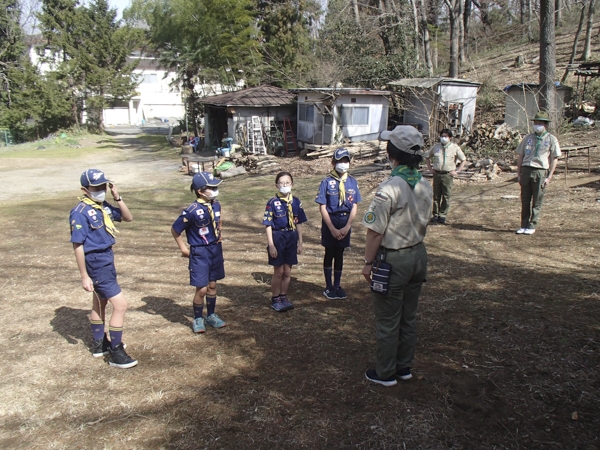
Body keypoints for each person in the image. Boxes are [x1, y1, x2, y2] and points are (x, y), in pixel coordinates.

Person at [362, 126, 433, 387]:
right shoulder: (425, 183)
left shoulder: (390, 187)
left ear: (393, 152)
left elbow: (374, 233)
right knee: (408, 315)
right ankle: (404, 367)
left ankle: (385, 373)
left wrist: (368, 263)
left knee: (388, 319)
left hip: (394, 260)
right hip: (418, 255)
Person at [69, 169, 137, 369]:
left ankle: (100, 345)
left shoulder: (102, 206)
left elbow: (128, 218)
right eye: (96, 187)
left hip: (106, 257)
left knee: (101, 301)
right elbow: (78, 245)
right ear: (85, 189)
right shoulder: (80, 212)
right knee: (121, 305)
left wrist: (118, 197)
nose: (101, 190)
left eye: (104, 186)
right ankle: (116, 351)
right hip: (96, 261)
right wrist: (84, 275)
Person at [171, 172, 227, 333]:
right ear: (200, 191)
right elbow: (175, 230)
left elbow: (218, 220)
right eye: (211, 187)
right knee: (201, 288)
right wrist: (183, 248)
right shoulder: (192, 210)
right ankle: (197, 318)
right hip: (200, 252)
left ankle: (211, 315)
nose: (215, 190)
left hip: (215, 249)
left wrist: (219, 233)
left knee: (212, 285)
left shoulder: (216, 205)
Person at [315, 148, 362, 299]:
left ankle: (337, 285)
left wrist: (347, 227)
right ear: (333, 162)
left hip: (345, 221)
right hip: (331, 221)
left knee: (340, 254)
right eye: (340, 161)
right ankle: (328, 286)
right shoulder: (326, 182)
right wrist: (332, 229)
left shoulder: (352, 182)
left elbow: (354, 205)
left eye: (346, 161)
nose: (344, 164)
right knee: (330, 253)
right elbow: (322, 206)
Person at [263, 172, 307, 312]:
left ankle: (284, 296)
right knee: (279, 271)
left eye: (287, 183)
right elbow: (268, 224)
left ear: (292, 184)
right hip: (278, 237)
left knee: (287, 271)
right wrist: (271, 244)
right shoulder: (272, 203)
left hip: (291, 236)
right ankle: (275, 298)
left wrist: (300, 242)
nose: (284, 185)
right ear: (276, 185)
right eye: (281, 183)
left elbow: (299, 222)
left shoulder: (296, 202)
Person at [515, 111, 561, 235]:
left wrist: (549, 176)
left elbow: (554, 158)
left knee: (537, 200)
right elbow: (520, 155)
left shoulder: (551, 139)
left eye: (540, 123)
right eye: (535, 123)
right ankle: (523, 224)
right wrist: (518, 173)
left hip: (540, 171)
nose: (537, 125)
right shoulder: (528, 138)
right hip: (526, 169)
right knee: (525, 199)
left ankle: (532, 224)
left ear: (545, 125)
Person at [425, 128, 467, 224]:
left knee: (446, 195)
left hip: (448, 175)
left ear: (450, 138)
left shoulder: (455, 148)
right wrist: (430, 169)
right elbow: (427, 157)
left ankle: (442, 215)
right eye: (442, 136)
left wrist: (457, 171)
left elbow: (463, 159)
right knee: (436, 195)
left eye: (445, 136)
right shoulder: (436, 147)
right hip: (437, 174)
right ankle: (435, 214)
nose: (443, 138)